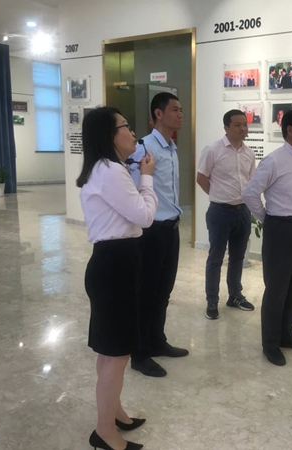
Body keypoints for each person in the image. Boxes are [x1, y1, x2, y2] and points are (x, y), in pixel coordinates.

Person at [78, 107, 158, 450]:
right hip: (114, 267)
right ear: (110, 135)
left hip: (114, 264)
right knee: (116, 354)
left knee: (112, 352)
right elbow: (145, 217)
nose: (133, 132)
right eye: (125, 126)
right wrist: (147, 179)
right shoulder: (110, 170)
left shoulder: (106, 168)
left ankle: (114, 414)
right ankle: (104, 433)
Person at [243, 110, 292, 367]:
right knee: (277, 289)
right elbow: (250, 193)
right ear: (290, 130)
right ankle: (271, 343)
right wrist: (268, 219)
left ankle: (288, 334)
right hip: (281, 229)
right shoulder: (274, 160)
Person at [129, 92, 189, 378]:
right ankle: (139, 354)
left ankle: (156, 340)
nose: (180, 114)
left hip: (171, 229)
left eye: (181, 109)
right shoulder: (143, 148)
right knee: (146, 293)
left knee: (163, 290)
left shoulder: (171, 147)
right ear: (158, 114)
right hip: (151, 231)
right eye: (175, 109)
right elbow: (134, 190)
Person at [197, 110, 257, 320]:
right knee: (215, 258)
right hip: (220, 212)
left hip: (243, 212)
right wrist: (218, 195)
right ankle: (212, 300)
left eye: (245, 124)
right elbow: (201, 178)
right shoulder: (213, 150)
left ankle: (235, 296)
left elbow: (251, 181)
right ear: (226, 128)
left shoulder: (249, 153)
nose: (243, 128)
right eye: (237, 125)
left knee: (238, 257)